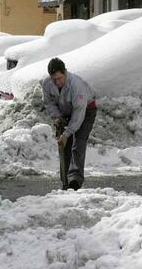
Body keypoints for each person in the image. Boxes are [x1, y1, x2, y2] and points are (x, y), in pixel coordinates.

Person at [42, 58, 97, 190]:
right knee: (64, 145)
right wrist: (57, 116)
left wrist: (67, 133)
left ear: (65, 72)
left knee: (78, 142)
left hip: (86, 110)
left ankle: (75, 181)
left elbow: (78, 115)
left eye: (60, 78)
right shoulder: (47, 84)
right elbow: (48, 103)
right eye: (54, 79)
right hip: (65, 111)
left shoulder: (76, 85)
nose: (58, 82)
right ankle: (66, 181)